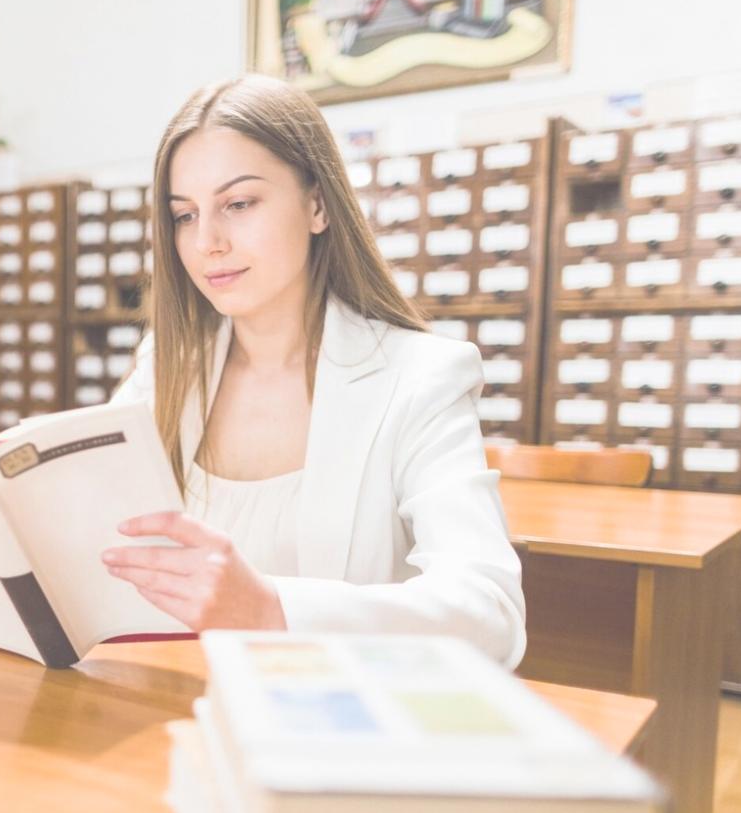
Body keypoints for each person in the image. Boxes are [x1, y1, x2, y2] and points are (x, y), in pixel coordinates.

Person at [98, 73, 526, 667]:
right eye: (184, 216)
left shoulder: (421, 377)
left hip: (340, 720)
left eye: (239, 204)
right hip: (180, 703)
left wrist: (275, 609)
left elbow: (491, 612)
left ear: (317, 204)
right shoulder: (165, 369)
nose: (208, 242)